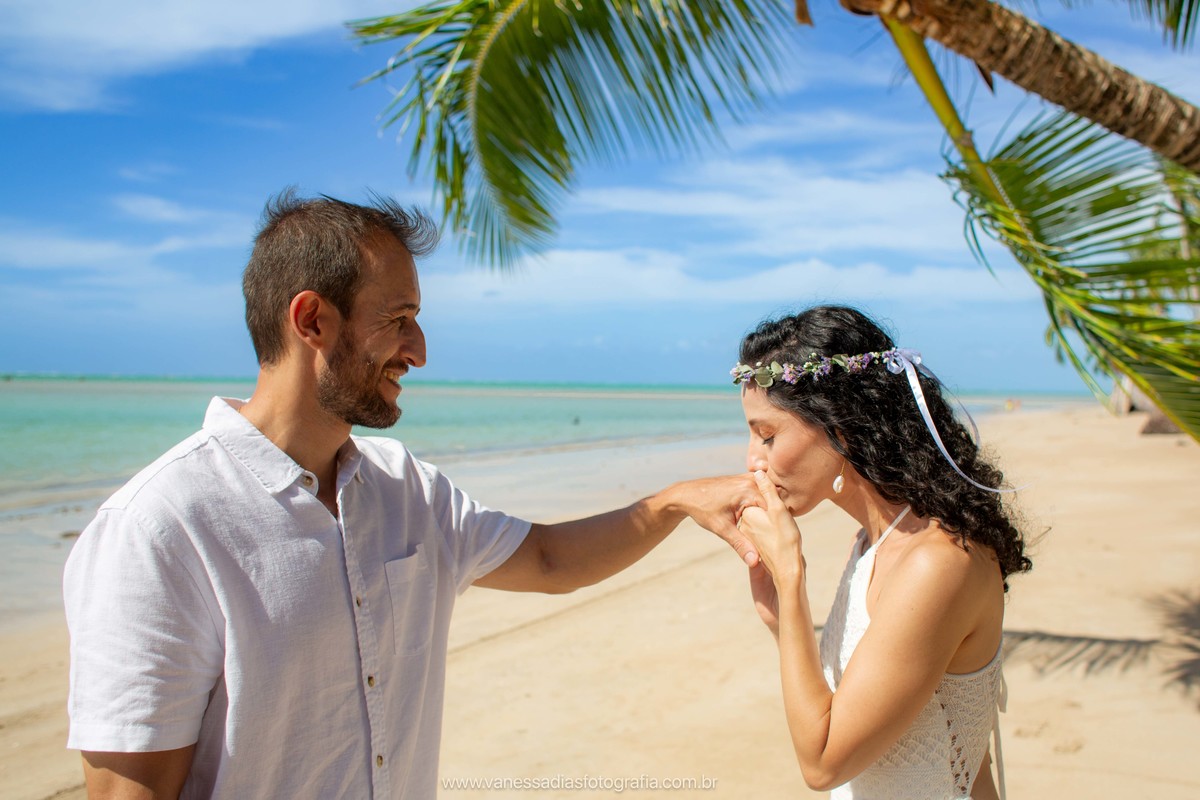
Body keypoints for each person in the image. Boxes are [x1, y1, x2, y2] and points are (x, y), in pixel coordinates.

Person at [63, 190, 759, 799]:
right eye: (398, 319)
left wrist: (676, 502)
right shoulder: (159, 527)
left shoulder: (407, 489)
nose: (419, 350)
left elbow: (548, 559)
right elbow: (130, 793)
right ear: (311, 321)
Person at [729, 305, 1031, 800]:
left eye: (767, 435)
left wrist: (792, 578)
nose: (752, 460)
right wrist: (783, 622)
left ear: (840, 428)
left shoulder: (936, 562)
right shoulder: (874, 541)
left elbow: (824, 761)